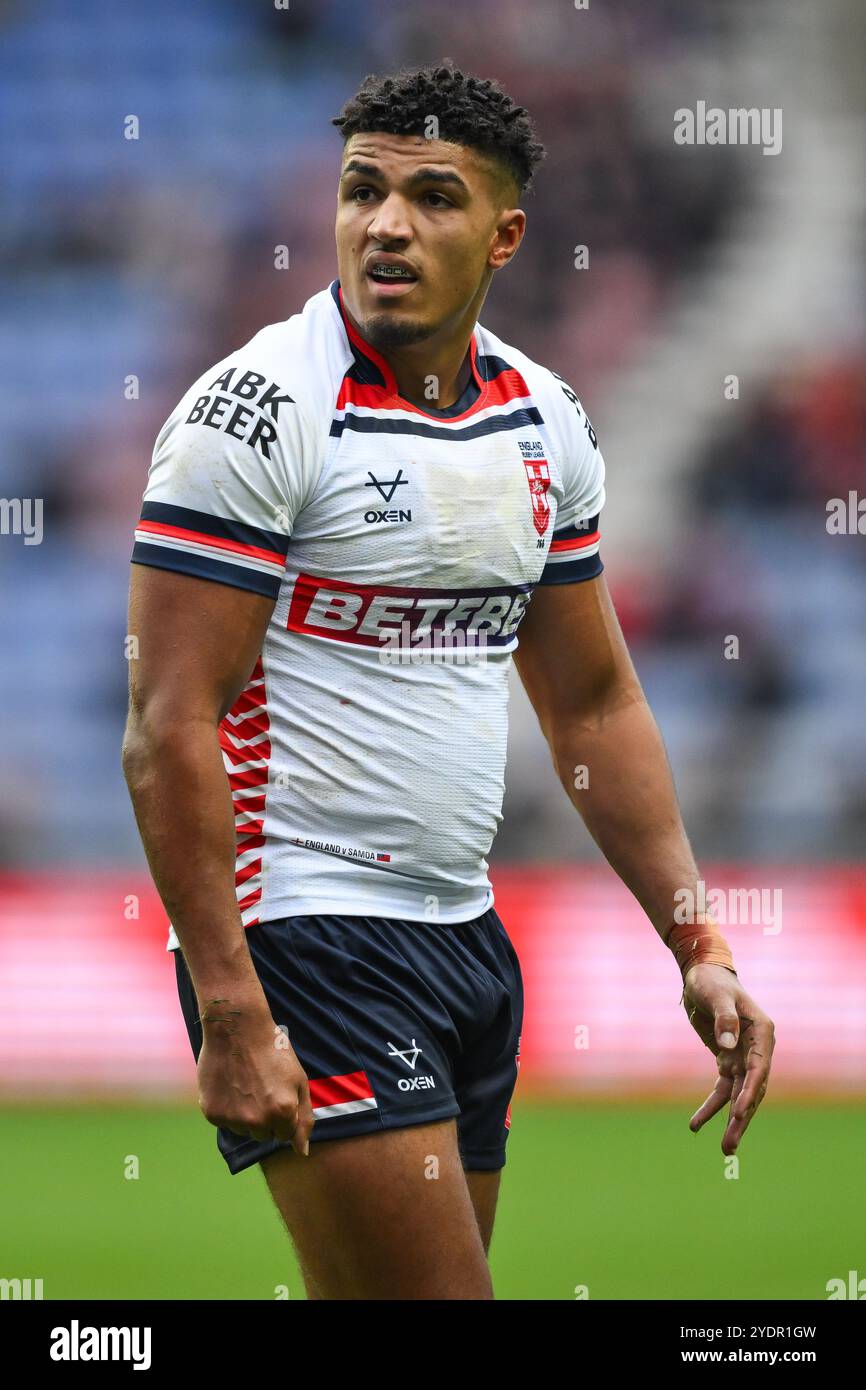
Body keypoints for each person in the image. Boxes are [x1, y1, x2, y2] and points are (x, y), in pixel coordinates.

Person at [122, 60, 775, 1301]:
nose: (385, 225)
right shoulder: (257, 414)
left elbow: (591, 702)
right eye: (362, 190)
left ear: (505, 234)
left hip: (464, 938)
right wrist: (229, 1007)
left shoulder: (544, 420)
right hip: (304, 932)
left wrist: (697, 938)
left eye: (430, 197)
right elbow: (166, 728)